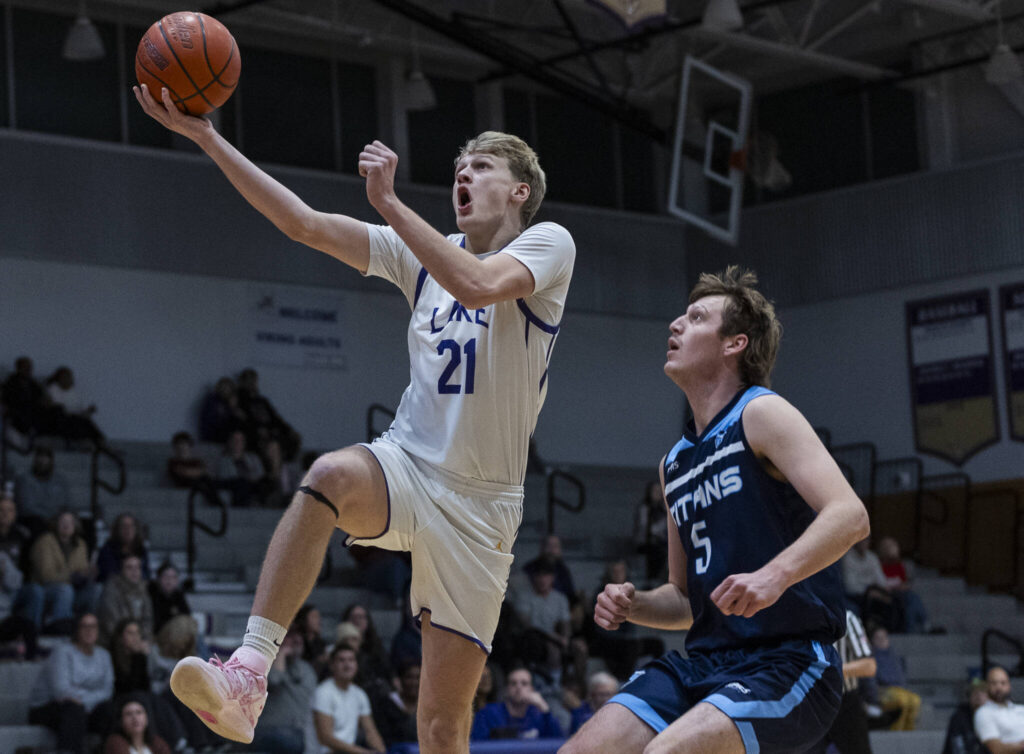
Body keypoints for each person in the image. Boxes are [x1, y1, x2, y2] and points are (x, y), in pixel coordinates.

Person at [136, 80, 574, 754]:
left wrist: (392, 204)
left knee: (440, 727)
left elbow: (479, 285)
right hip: (408, 463)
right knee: (330, 475)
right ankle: (249, 675)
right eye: (459, 165)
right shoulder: (420, 255)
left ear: (519, 190)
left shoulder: (549, 244)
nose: (464, 171)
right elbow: (302, 223)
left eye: (482, 165)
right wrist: (207, 137)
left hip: (483, 508)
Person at [560, 267, 869, 754]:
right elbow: (686, 601)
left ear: (734, 344)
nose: (676, 326)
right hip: (705, 663)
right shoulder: (674, 463)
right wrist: (635, 604)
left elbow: (850, 515)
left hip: (788, 661)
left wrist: (774, 576)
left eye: (697, 317)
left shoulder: (761, 413)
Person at [29, 612, 114, 754]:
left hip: (84, 708)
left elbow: (107, 690)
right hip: (46, 707)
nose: (89, 631)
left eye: (93, 626)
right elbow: (61, 691)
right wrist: (86, 701)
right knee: (74, 710)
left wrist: (84, 702)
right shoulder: (62, 652)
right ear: (76, 630)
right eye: (84, 626)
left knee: (110, 710)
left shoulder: (104, 655)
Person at [19, 509, 98, 630]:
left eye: (70, 522)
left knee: (95, 589)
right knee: (65, 590)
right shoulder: (45, 541)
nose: (66, 525)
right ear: (56, 524)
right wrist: (73, 576)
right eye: (63, 521)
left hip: (73, 588)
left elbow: (83, 570)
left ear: (75, 525)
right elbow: (46, 576)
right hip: (45, 590)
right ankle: (60, 629)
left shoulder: (81, 544)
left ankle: (87, 630)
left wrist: (88, 574)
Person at [811, 610, 876, 754]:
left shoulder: (848, 618)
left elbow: (869, 666)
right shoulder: (800, 617)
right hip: (812, 702)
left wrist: (831, 671)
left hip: (845, 703)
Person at [252, 625, 318, 754]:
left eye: (299, 639)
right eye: (290, 637)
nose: (296, 640)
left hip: (299, 733)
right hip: (269, 730)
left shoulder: (307, 670)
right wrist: (281, 653)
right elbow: (274, 681)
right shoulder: (266, 664)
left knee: (293, 740)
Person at [313, 643, 386, 754]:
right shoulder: (323, 692)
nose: (347, 665)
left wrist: (382, 751)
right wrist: (362, 752)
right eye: (341, 660)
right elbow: (325, 738)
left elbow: (370, 731)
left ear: (356, 665)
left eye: (351, 660)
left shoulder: (359, 694)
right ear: (332, 665)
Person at [471, 666, 563, 741]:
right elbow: (477, 745)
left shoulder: (540, 715)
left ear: (532, 689)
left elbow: (557, 743)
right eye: (513, 683)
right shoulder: (488, 713)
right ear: (507, 689)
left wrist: (544, 707)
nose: (518, 687)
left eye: (524, 683)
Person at [869, 625, 920, 731]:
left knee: (915, 700)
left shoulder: (895, 657)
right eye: (878, 638)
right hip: (884, 691)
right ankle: (895, 731)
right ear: (873, 640)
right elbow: (873, 681)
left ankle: (908, 731)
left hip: (900, 689)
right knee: (902, 701)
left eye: (884, 637)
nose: (882, 640)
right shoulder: (871, 657)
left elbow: (901, 676)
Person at [98, 555, 155, 645]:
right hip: (115, 642)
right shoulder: (111, 590)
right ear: (121, 571)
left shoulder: (144, 590)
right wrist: (133, 641)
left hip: (138, 640)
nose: (134, 571)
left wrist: (143, 639)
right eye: (129, 567)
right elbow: (111, 625)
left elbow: (147, 620)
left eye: (137, 567)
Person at [877, 536, 929, 633]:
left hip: (900, 592)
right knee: (911, 598)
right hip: (886, 593)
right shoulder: (877, 565)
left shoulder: (899, 565)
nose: (893, 549)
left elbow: (905, 583)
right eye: (889, 547)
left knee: (912, 599)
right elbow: (880, 582)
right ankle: (922, 623)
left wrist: (900, 587)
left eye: (894, 546)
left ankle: (917, 625)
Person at [14, 445, 71, 529]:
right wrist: (48, 517)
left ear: (52, 461)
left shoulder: (60, 481)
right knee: (36, 522)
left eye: (46, 457)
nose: (43, 461)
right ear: (35, 459)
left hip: (56, 519)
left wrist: (58, 517)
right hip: (33, 521)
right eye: (40, 457)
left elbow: (65, 504)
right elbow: (26, 507)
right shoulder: (24, 479)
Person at [371, 660, 421, 749]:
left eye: (418, 677)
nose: (414, 682)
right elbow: (384, 738)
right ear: (400, 680)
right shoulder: (386, 705)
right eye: (409, 677)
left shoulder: (430, 707)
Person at [974, 665, 1024, 752]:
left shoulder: (1021, 709)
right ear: (987, 686)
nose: (999, 687)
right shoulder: (983, 713)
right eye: (994, 683)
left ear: (1009, 685)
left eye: (1003, 683)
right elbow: (997, 749)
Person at [102, 694, 173, 754]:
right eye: (128, 714)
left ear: (147, 718)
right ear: (121, 721)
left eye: (139, 712)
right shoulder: (115, 743)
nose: (135, 718)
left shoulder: (157, 743)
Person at [97, 512, 151, 584]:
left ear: (136, 529)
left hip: (137, 587)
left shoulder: (141, 550)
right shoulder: (107, 549)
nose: (128, 529)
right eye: (124, 526)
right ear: (117, 529)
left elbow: (146, 574)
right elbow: (108, 574)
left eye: (131, 526)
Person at [944, 678, 989, 754]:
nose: (978, 695)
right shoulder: (959, 717)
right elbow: (957, 747)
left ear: (989, 697)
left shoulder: (995, 716)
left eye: (982, 692)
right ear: (969, 696)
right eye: (974, 692)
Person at [148, 562, 191, 636]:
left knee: (196, 636)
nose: (169, 580)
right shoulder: (152, 595)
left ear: (177, 581)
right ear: (158, 579)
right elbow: (155, 623)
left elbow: (187, 617)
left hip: (178, 634)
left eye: (173, 577)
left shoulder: (179, 596)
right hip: (160, 635)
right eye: (166, 577)